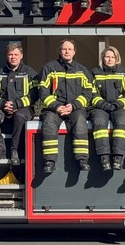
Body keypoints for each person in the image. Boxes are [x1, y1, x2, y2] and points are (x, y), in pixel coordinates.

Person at [39, 39, 94, 174]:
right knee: (49, 123)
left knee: (81, 122)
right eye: (64, 49)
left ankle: (82, 160)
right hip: (54, 109)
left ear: (74, 52)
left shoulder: (82, 70)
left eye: (70, 49)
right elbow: (43, 92)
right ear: (60, 51)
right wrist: (57, 106)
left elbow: (88, 92)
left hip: (75, 109)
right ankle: (50, 161)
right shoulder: (49, 68)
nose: (67, 51)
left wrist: (74, 106)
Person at [0, 43, 40, 165]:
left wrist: (16, 104)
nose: (13, 57)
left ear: (21, 56)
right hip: (3, 108)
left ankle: (15, 151)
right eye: (10, 54)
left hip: (24, 109)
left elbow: (34, 94)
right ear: (7, 56)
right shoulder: (0, 73)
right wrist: (2, 104)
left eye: (16, 54)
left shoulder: (29, 73)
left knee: (20, 116)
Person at [89, 46, 125, 171]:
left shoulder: (123, 73)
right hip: (100, 107)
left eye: (112, 57)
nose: (109, 59)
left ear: (117, 59)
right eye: (107, 56)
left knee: (122, 122)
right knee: (99, 122)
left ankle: (118, 157)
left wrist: (117, 105)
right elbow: (92, 93)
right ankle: (104, 158)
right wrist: (103, 105)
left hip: (118, 107)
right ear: (102, 58)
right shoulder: (94, 72)